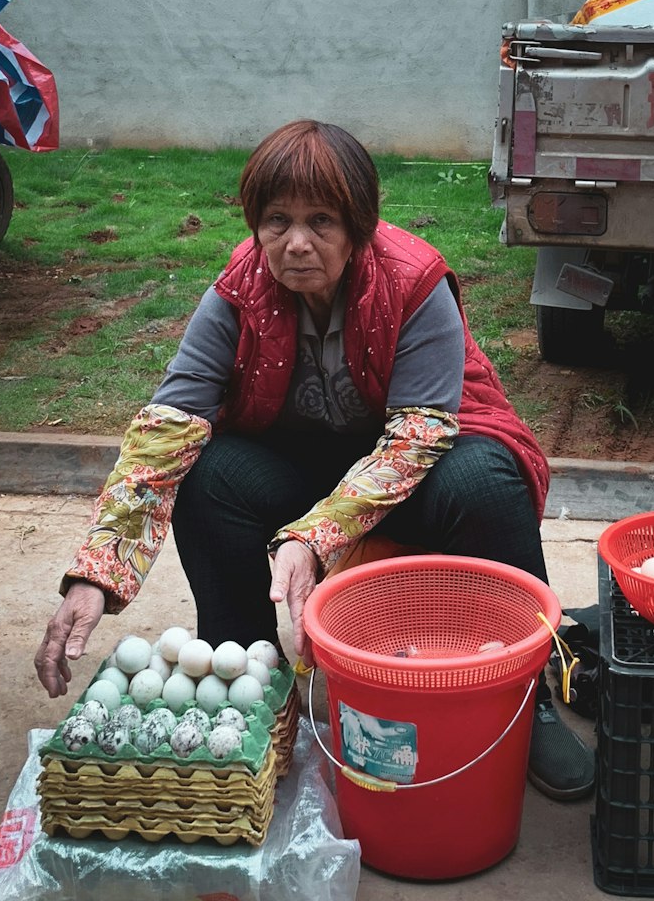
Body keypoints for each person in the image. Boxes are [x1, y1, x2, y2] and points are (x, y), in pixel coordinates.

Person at [34, 119, 595, 802]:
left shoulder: (415, 283)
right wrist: (96, 574)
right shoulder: (237, 295)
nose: (296, 243)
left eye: (321, 221)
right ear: (256, 224)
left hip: (424, 461)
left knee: (488, 480)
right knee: (209, 477)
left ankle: (521, 693)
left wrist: (312, 538)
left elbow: (416, 438)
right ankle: (247, 684)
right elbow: (163, 434)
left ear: (358, 225)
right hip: (304, 462)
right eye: (277, 221)